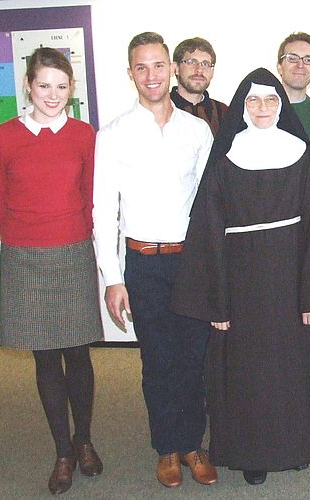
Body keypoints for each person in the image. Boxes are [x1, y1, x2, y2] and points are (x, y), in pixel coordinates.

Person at [170, 68, 310, 486]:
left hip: (291, 281)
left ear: (281, 105)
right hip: (241, 283)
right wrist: (217, 302)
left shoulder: (299, 153)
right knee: (247, 370)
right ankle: (251, 452)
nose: (263, 107)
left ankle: (297, 445)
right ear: (243, 106)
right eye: (253, 100)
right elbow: (209, 231)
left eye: (270, 100)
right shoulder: (226, 156)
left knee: (292, 365)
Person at [92, 32, 217, 488]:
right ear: (131, 74)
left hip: (190, 264)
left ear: (172, 69)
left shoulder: (197, 131)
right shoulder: (113, 134)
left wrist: (213, 268)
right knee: (158, 361)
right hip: (143, 264)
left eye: (158, 65)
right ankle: (166, 447)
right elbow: (102, 210)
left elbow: (209, 206)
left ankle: (192, 445)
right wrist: (113, 277)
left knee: (194, 358)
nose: (151, 75)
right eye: (141, 67)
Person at [0, 46, 104, 495]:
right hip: (25, 257)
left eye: (61, 86)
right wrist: (24, 236)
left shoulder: (83, 135)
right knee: (45, 359)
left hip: (72, 252)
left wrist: (73, 234)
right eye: (43, 86)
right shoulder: (3, 136)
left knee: (78, 355)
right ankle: (63, 451)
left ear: (71, 89)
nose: (52, 95)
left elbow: (92, 196)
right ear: (28, 86)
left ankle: (84, 439)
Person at [170, 37, 229, 135]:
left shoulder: (224, 113)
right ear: (176, 68)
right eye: (191, 62)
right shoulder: (160, 108)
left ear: (212, 72)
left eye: (205, 64)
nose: (199, 70)